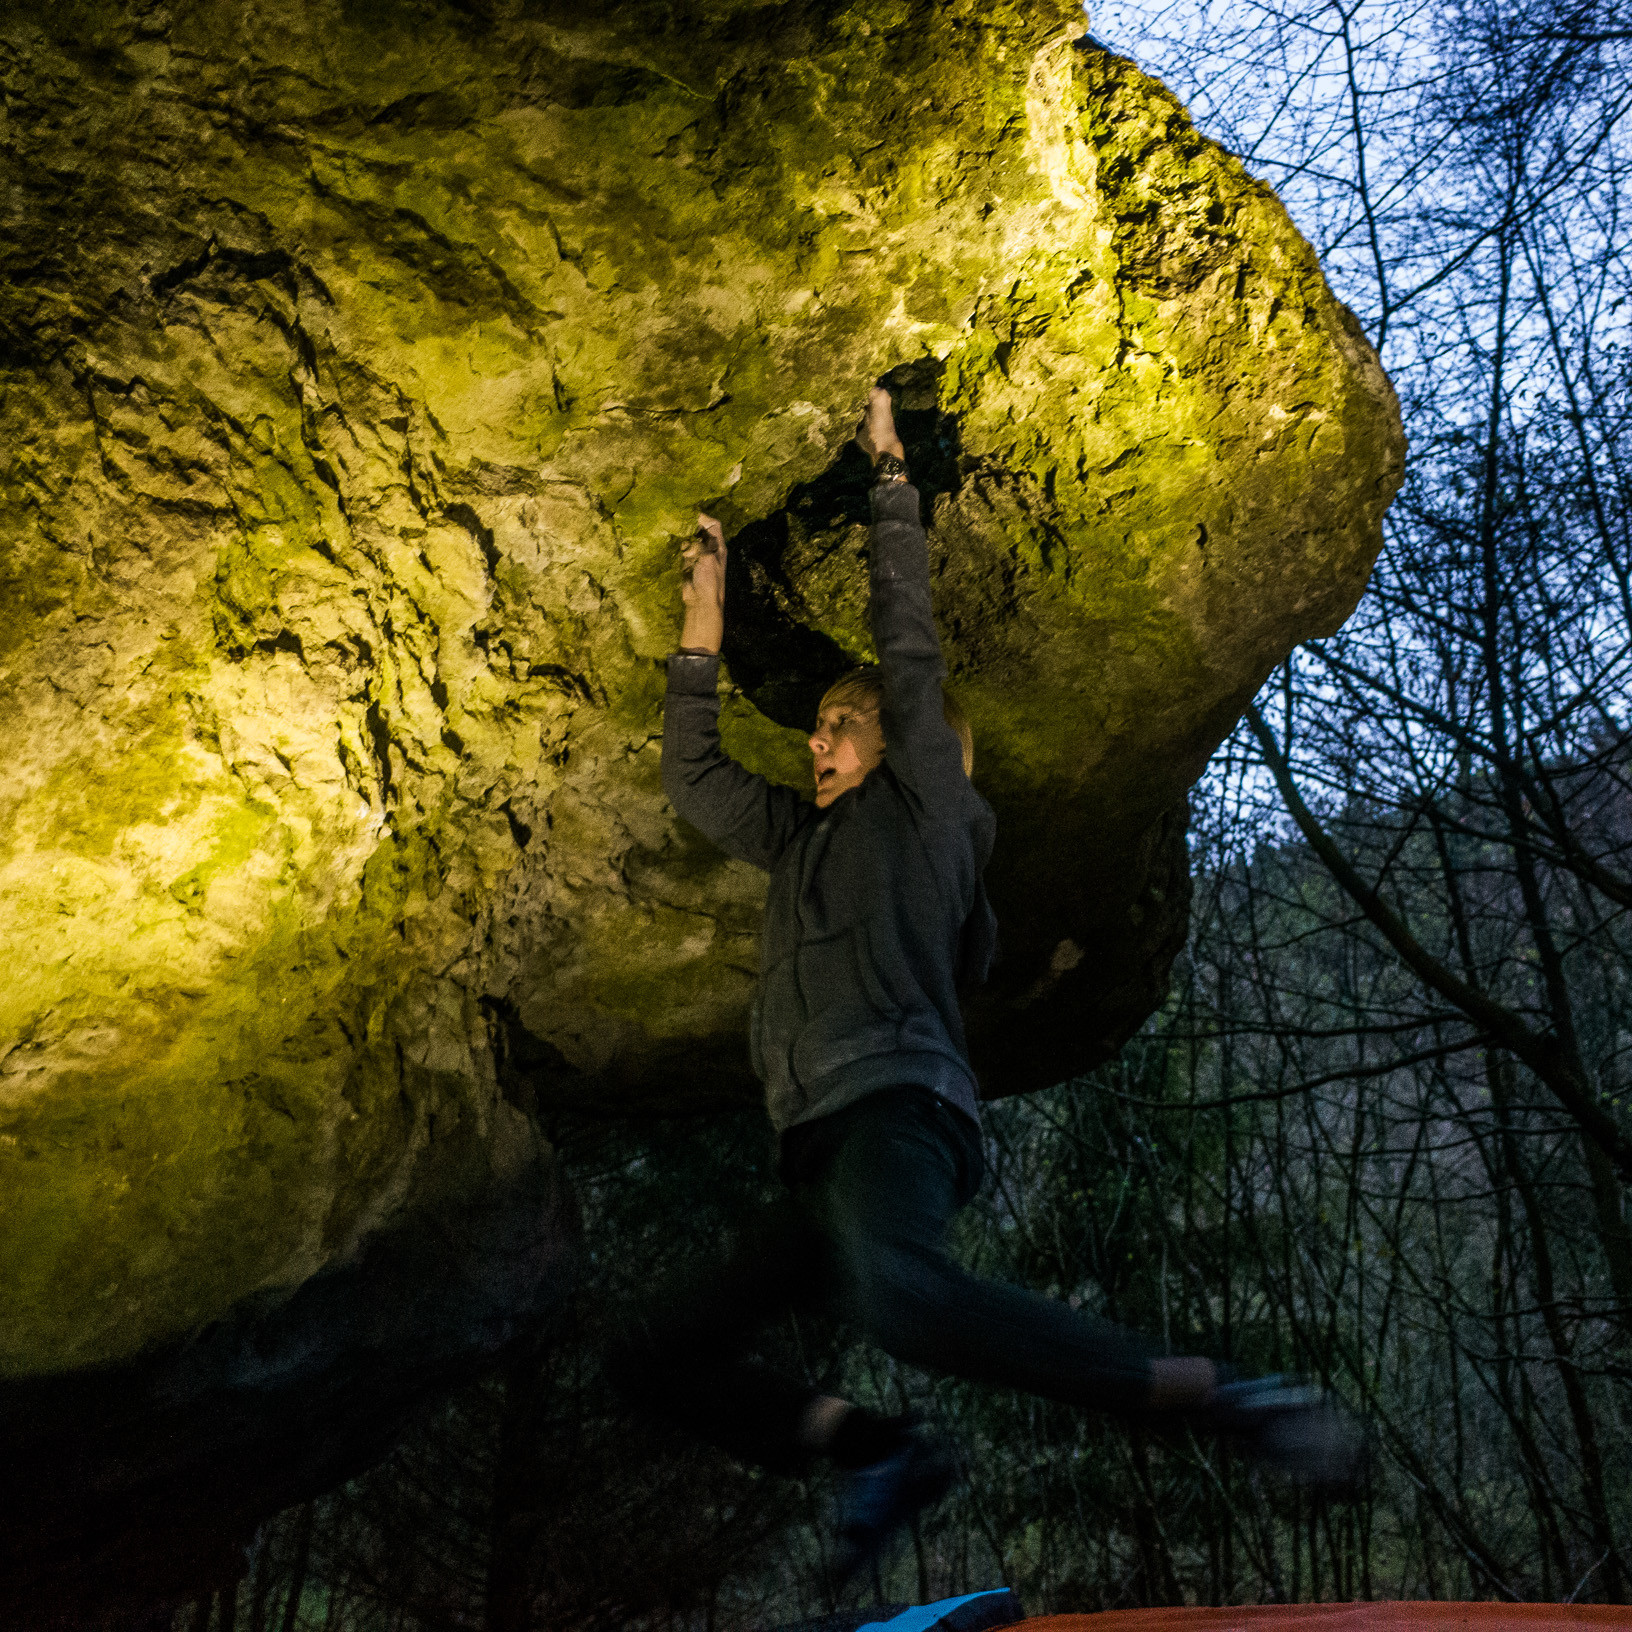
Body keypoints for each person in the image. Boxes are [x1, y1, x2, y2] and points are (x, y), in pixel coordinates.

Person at [610, 386, 1360, 1582]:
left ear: (905, 747)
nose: (816, 739)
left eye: (839, 724)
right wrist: (701, 624)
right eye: (818, 726)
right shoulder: (802, 841)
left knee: (909, 1303)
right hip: (821, 1149)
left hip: (895, 1111)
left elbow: (909, 653)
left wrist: (890, 482)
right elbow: (697, 780)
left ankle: (1224, 1397)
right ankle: (876, 1450)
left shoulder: (929, 814)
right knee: (655, 1354)